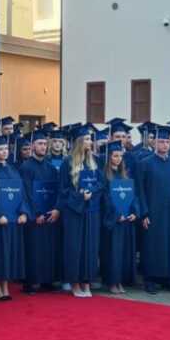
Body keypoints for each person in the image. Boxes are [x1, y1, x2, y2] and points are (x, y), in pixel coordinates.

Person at [58, 124, 102, 298]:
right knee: (74, 247)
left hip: (91, 211)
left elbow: (101, 184)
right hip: (73, 211)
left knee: (90, 247)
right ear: (79, 142)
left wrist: (91, 192)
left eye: (90, 139)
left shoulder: (94, 161)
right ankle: (74, 282)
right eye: (87, 139)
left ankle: (86, 281)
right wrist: (79, 196)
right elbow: (63, 189)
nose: (90, 142)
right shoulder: (67, 163)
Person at [138, 126, 170, 294]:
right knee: (152, 245)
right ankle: (150, 279)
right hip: (153, 211)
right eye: (161, 141)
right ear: (154, 143)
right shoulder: (145, 163)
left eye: (167, 142)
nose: (164, 144)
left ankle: (168, 278)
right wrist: (144, 212)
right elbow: (140, 190)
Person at [18, 130, 60, 294]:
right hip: (34, 216)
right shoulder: (26, 167)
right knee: (33, 248)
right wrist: (35, 214)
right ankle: (31, 282)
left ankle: (47, 280)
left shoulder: (51, 167)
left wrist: (55, 210)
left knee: (49, 247)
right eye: (40, 144)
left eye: (44, 144)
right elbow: (26, 192)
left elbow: (56, 190)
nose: (43, 146)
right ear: (33, 146)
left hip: (49, 215)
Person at [0, 135, 29, 301]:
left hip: (14, 219)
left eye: (6, 149)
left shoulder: (14, 170)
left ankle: (5, 286)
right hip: (1, 221)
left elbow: (21, 193)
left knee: (9, 254)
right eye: (0, 149)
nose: (4, 152)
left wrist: (23, 212)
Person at [99, 141, 138, 294]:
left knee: (123, 252)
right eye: (115, 156)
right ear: (109, 157)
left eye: (120, 156)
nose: (118, 159)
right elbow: (106, 199)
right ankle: (112, 282)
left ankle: (120, 281)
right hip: (113, 221)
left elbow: (132, 195)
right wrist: (117, 215)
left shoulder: (125, 174)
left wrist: (134, 212)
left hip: (126, 220)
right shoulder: (104, 176)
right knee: (112, 253)